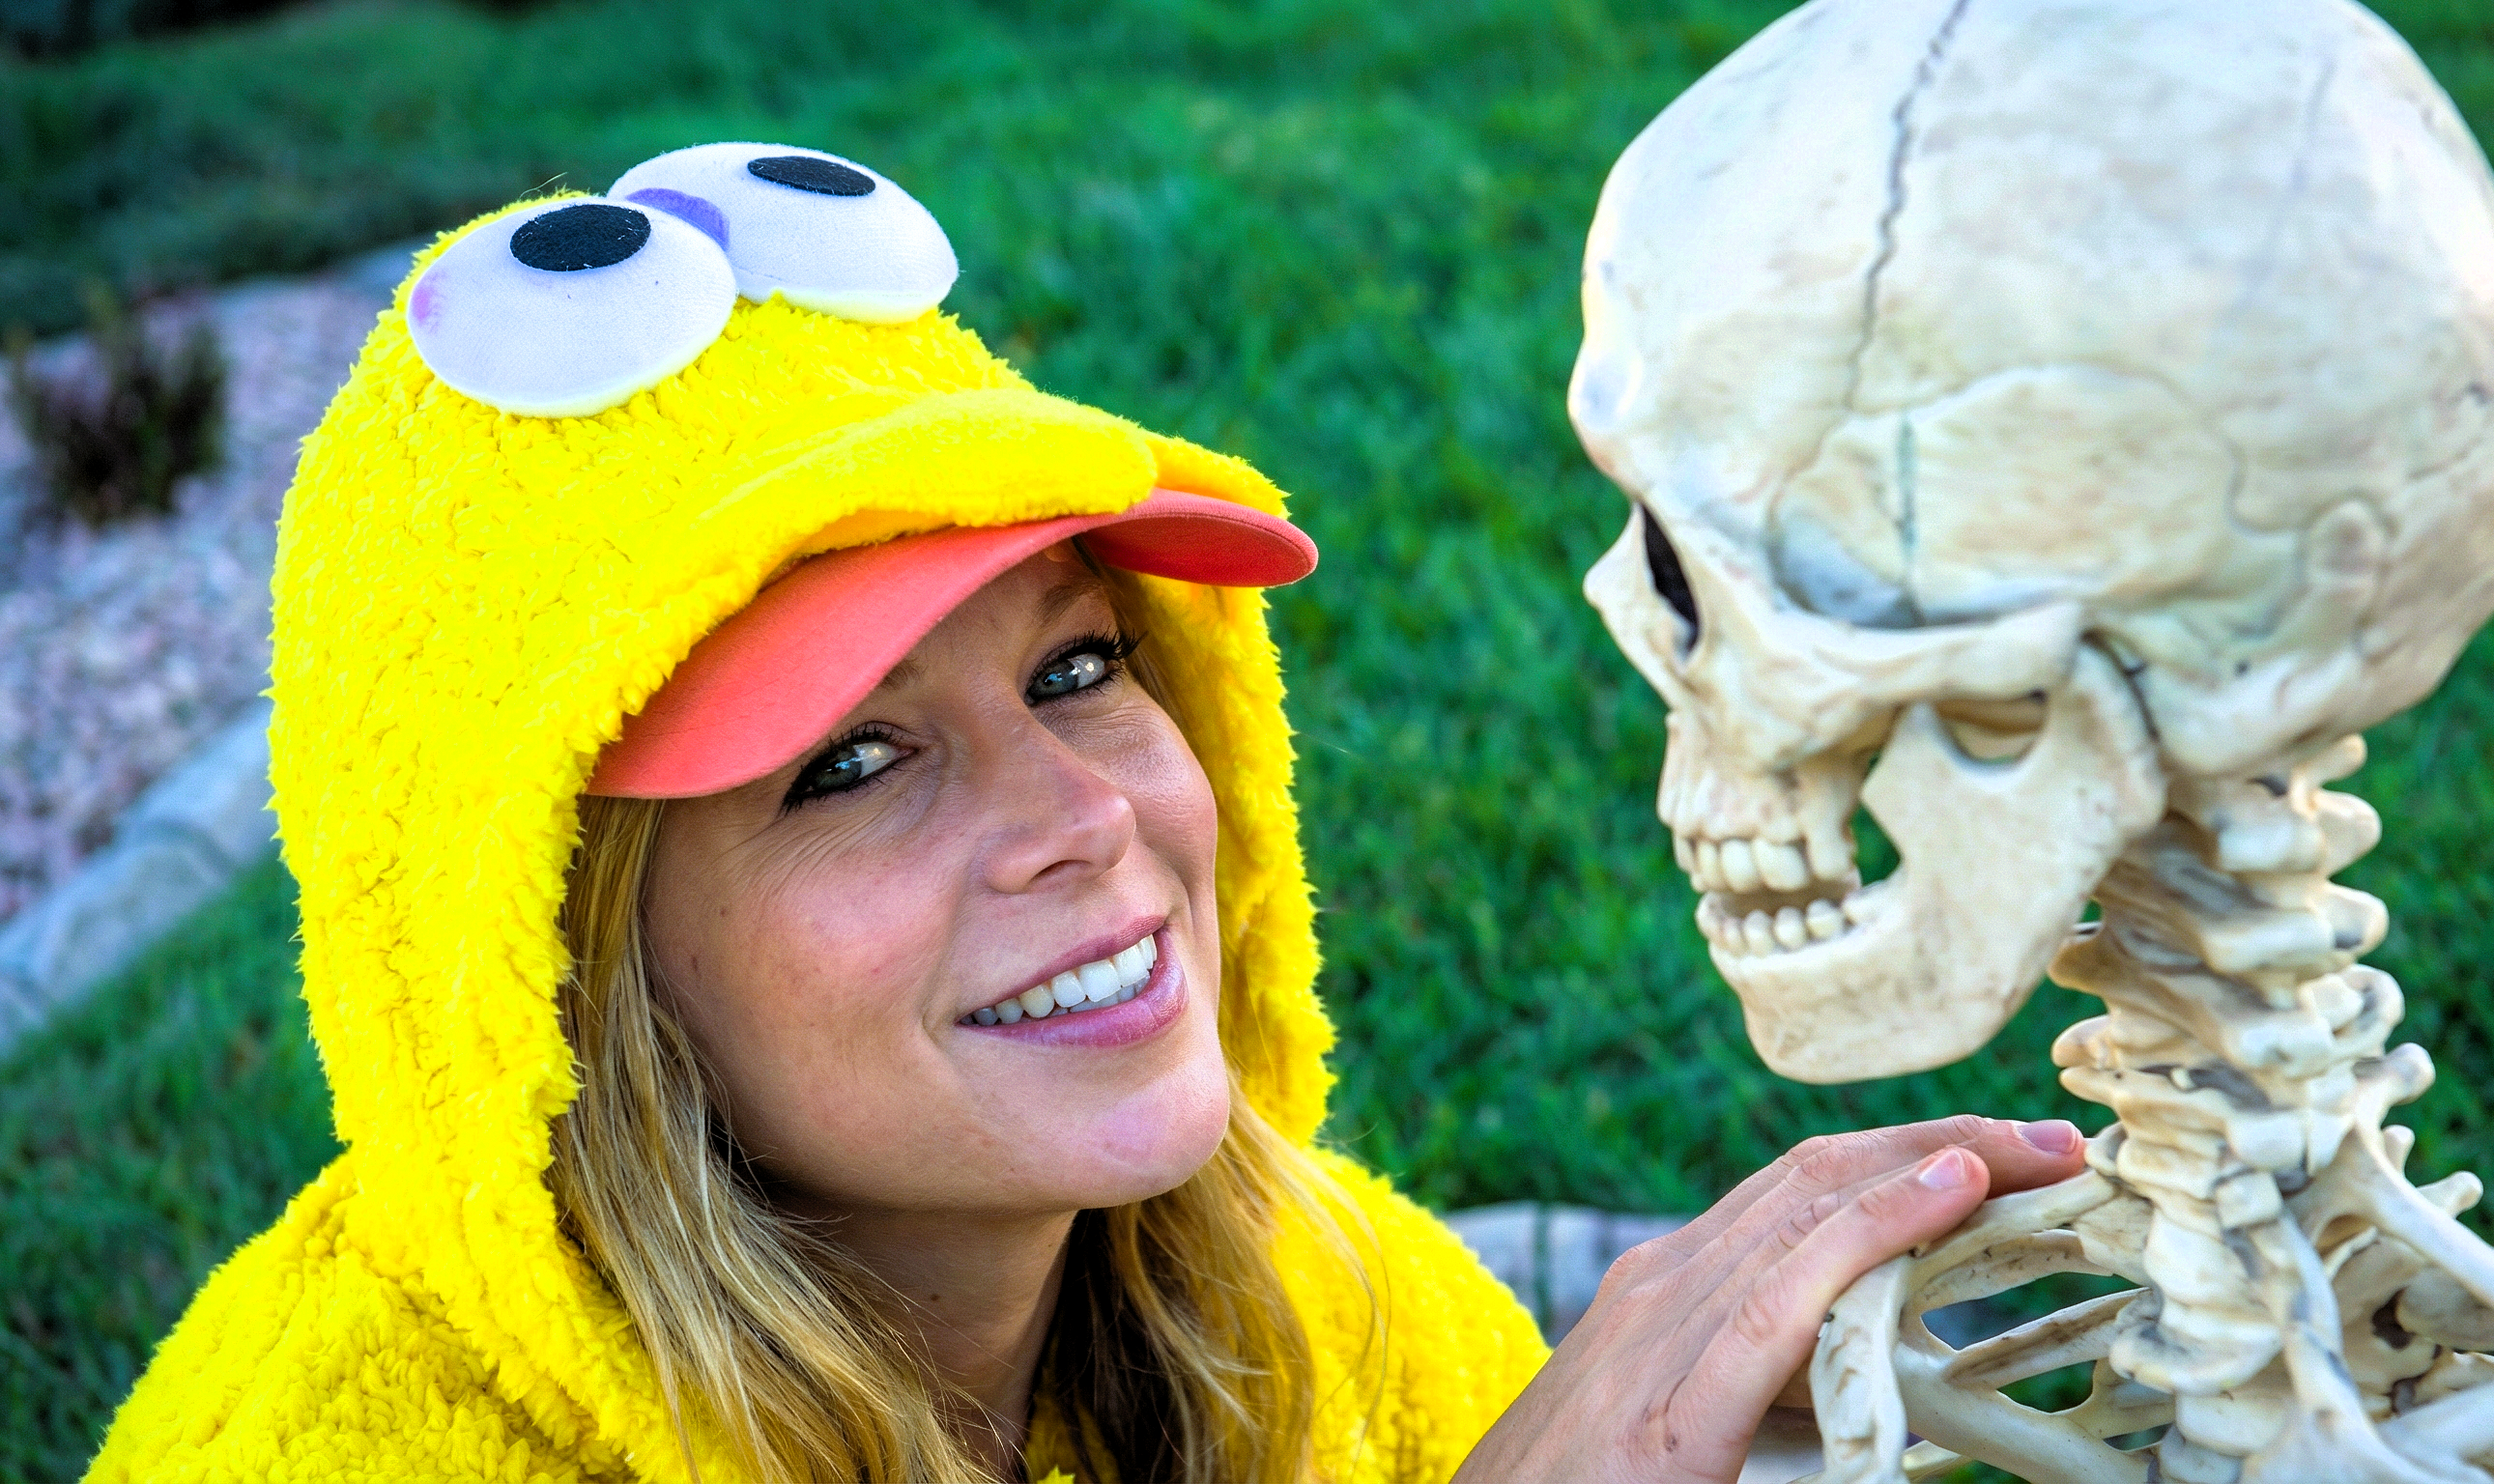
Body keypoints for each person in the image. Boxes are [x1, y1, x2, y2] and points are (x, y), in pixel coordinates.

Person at [89, 147, 2086, 1484]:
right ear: (550, 967)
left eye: (1075, 669)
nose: (1084, 817)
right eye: (851, 763)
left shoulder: (1305, 1298)